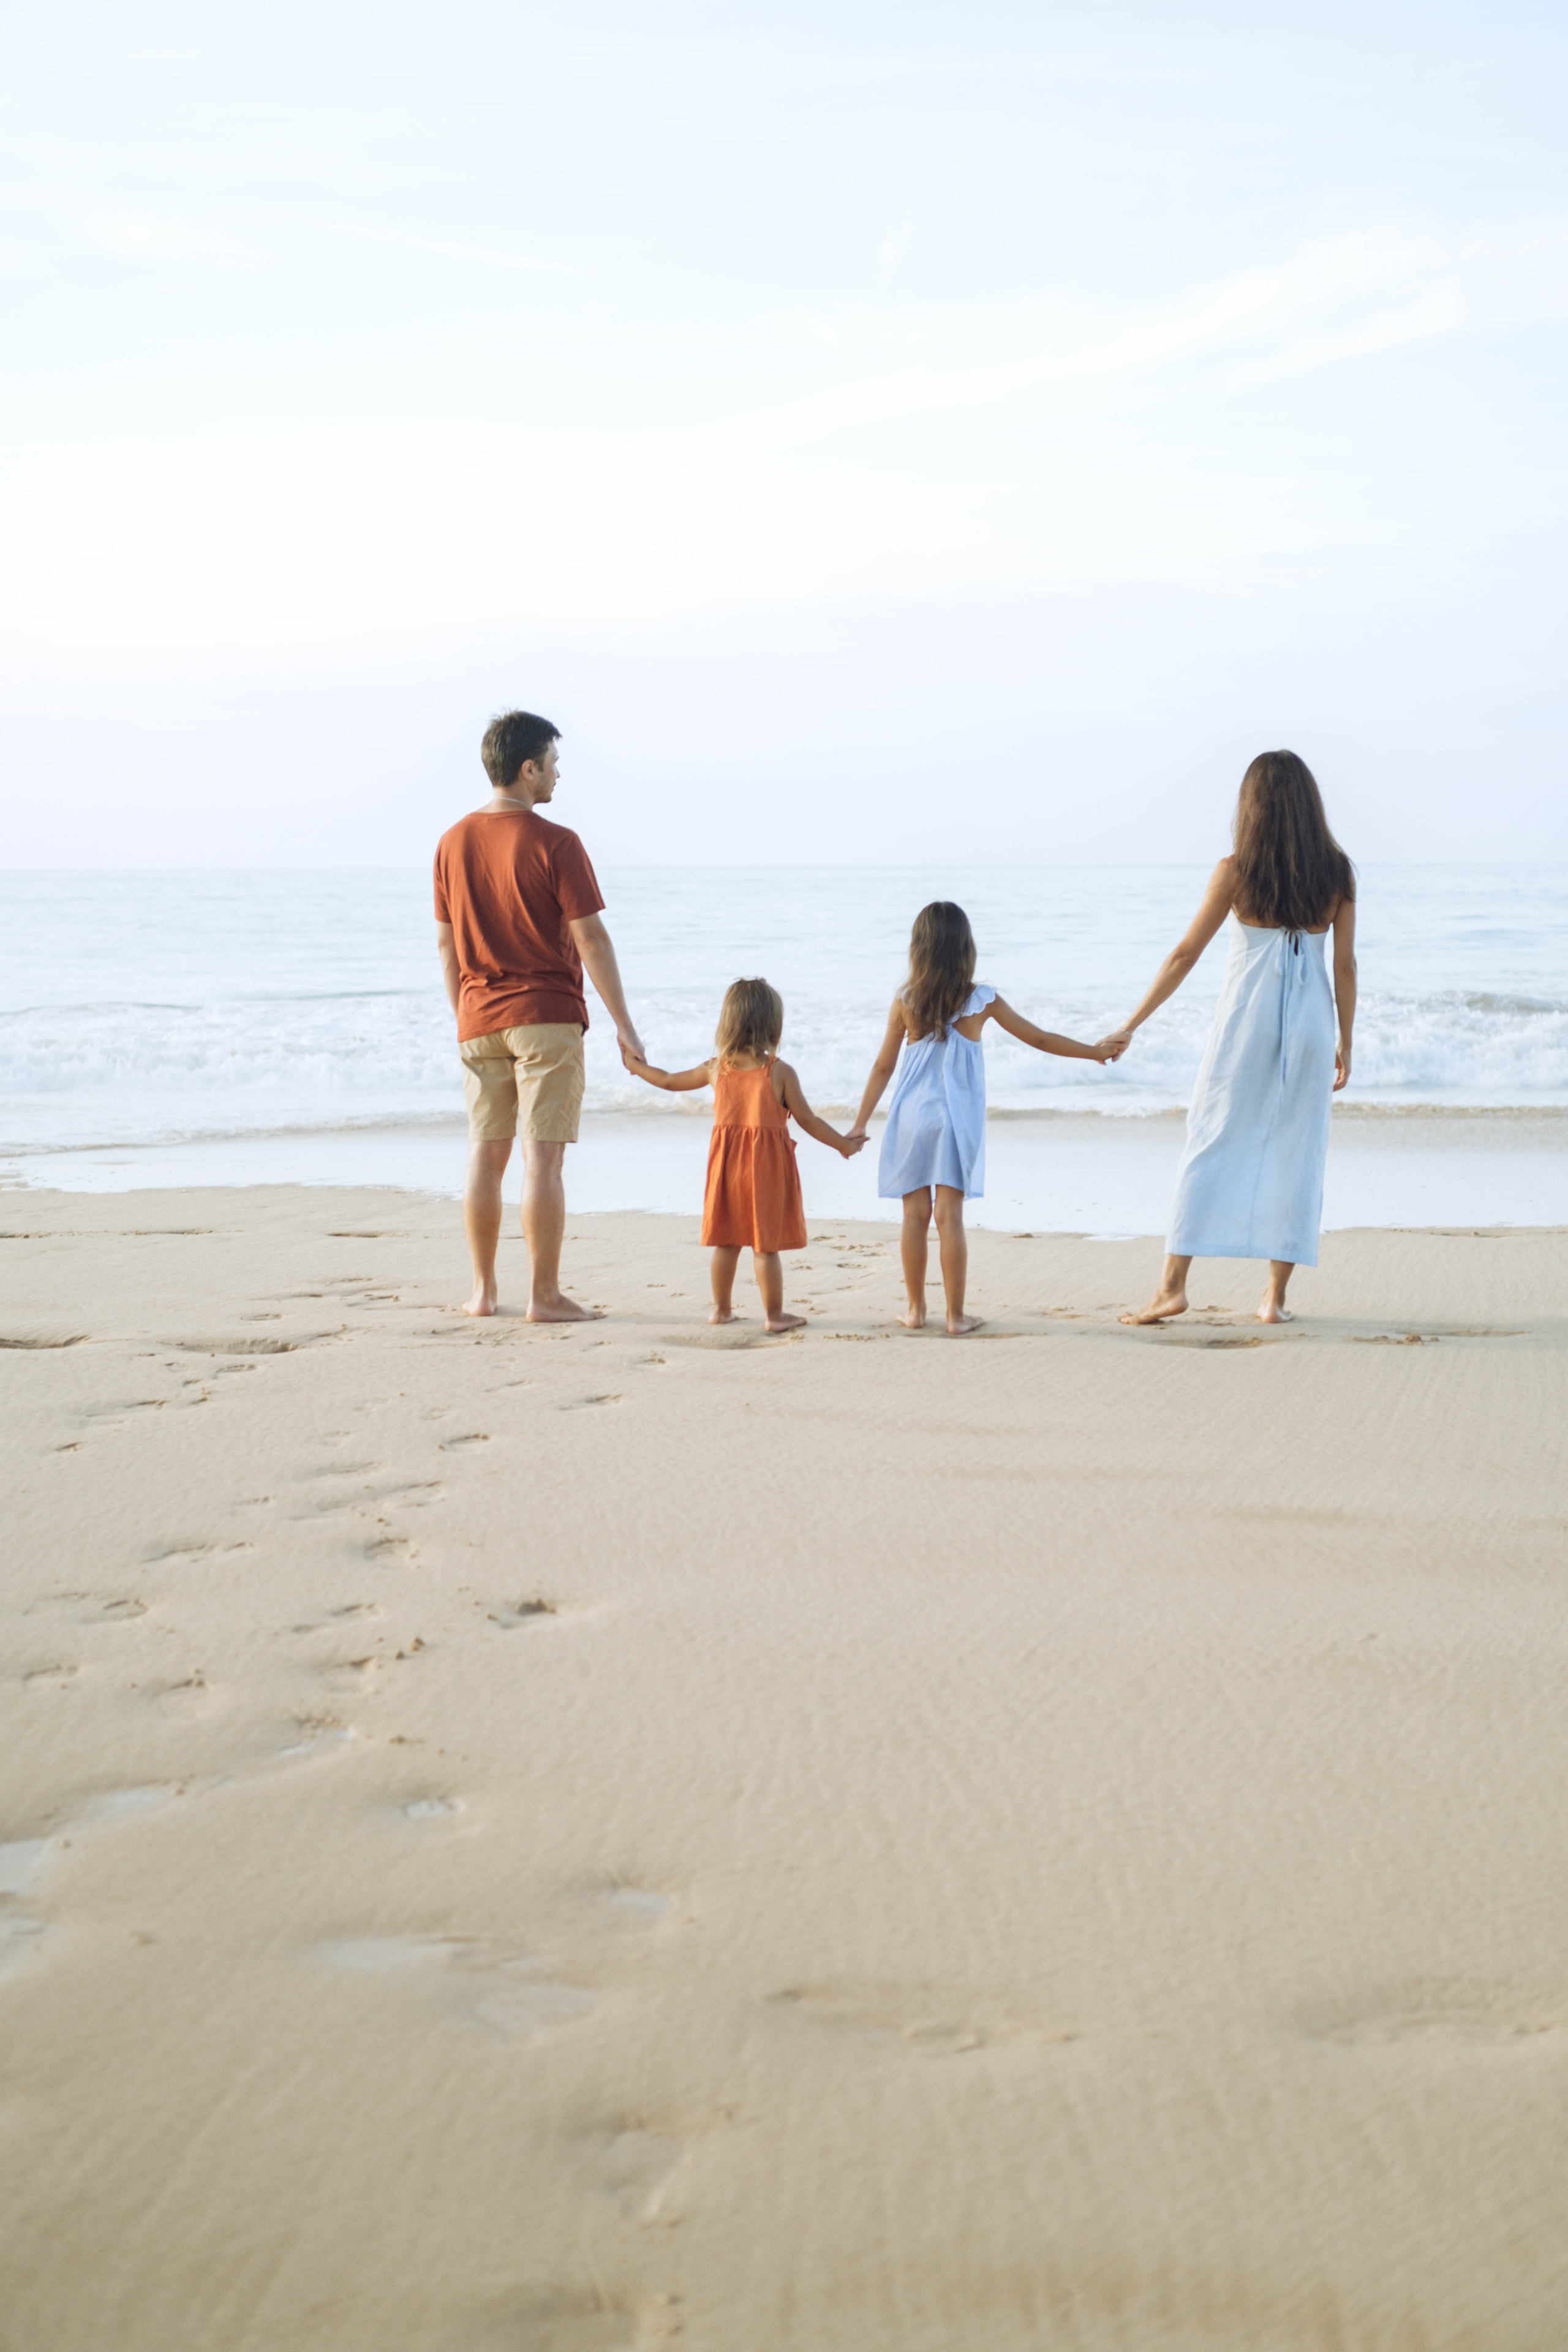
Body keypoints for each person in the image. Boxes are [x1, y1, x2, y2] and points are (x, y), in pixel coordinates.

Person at [1111, 750, 1358, 1327]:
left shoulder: (1236, 870)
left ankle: (1172, 1287)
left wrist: (1132, 1023)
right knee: (1298, 1152)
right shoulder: (1338, 872)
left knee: (1210, 1139)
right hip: (1312, 1024)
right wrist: (1347, 1039)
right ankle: (1273, 1299)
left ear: (1254, 806)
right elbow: (1344, 967)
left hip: (1246, 1021)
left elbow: (1184, 954)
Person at [434, 710, 644, 1321]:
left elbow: (447, 947)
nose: (557, 775)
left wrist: (465, 1017)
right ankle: (545, 1296)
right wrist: (625, 1027)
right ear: (527, 770)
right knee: (542, 1158)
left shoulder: (450, 842)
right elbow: (592, 940)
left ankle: (482, 1292)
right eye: (552, 764)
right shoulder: (558, 842)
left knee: (485, 1154)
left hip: (478, 1018)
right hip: (545, 1015)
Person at [848, 902, 1124, 1335]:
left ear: (918, 948)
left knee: (914, 1215)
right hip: (955, 1120)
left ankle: (916, 1310)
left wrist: (860, 1123)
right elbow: (1040, 1038)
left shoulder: (906, 1001)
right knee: (950, 1217)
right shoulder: (982, 1000)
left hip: (911, 1117)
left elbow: (883, 1067)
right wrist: (1094, 1051)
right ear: (965, 947)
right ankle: (957, 1317)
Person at [624, 978, 861, 1333]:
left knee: (727, 1241)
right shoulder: (780, 1072)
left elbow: (670, 1081)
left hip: (726, 1168)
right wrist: (844, 1144)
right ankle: (774, 1316)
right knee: (765, 1247)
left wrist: (636, 1067)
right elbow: (808, 1120)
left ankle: (721, 1310)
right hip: (765, 1170)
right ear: (772, 1025)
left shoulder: (716, 1069)